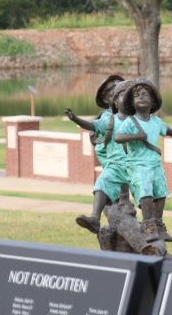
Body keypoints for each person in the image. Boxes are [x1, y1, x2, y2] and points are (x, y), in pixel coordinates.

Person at [115, 78, 172, 243]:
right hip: (138, 164)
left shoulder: (156, 122)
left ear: (153, 102)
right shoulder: (130, 122)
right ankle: (148, 225)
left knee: (160, 192)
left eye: (145, 94)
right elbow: (118, 137)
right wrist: (137, 136)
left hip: (155, 164)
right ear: (131, 102)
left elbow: (166, 129)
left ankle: (158, 224)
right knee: (146, 192)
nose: (141, 97)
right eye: (137, 95)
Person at [64, 74, 124, 234]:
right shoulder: (106, 118)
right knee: (112, 200)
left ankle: (153, 225)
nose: (117, 92)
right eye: (112, 91)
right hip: (114, 165)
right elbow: (93, 127)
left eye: (121, 88)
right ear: (106, 99)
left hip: (129, 163)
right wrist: (76, 119)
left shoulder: (133, 115)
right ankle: (106, 225)